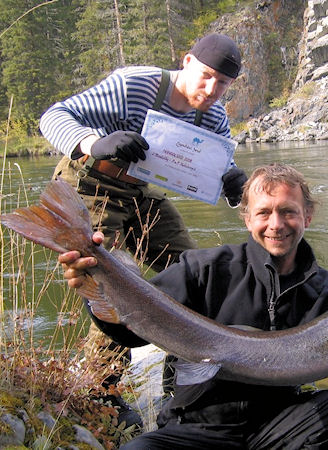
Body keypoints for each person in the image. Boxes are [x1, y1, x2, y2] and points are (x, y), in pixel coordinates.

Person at [59, 163, 328, 449]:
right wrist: (97, 292)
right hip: (197, 428)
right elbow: (130, 332)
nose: (277, 224)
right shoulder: (202, 268)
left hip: (277, 428)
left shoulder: (327, 294)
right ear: (247, 219)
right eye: (265, 213)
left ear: (307, 215)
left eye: (288, 211)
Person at [40, 33, 248, 428]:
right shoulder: (135, 85)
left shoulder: (215, 118)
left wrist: (234, 182)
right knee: (117, 283)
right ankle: (103, 392)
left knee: (196, 271)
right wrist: (94, 141)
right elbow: (53, 116)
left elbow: (217, 168)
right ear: (186, 61)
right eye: (205, 76)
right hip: (87, 187)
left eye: (222, 83)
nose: (211, 89)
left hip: (137, 191)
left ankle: (184, 381)